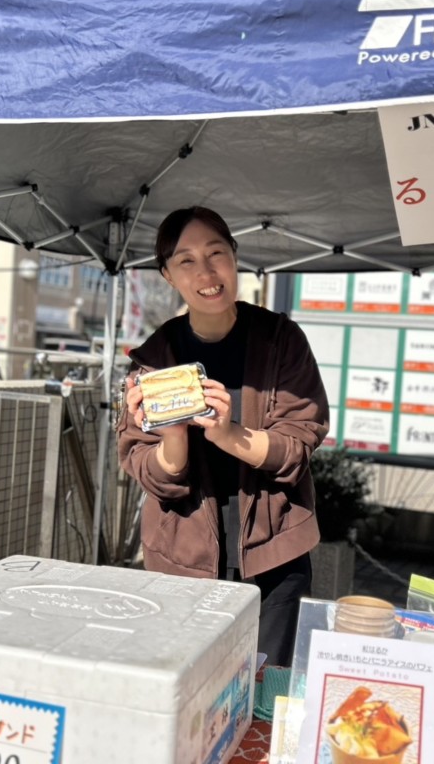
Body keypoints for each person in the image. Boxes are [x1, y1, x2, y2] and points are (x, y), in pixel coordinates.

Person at [117, 206, 329, 666]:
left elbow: (297, 444)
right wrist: (174, 437)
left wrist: (228, 433)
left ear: (234, 256)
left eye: (216, 254)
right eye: (186, 261)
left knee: (266, 689)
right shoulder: (153, 360)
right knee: (191, 691)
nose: (206, 272)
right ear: (167, 275)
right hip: (181, 563)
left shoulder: (281, 340)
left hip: (275, 557)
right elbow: (148, 469)